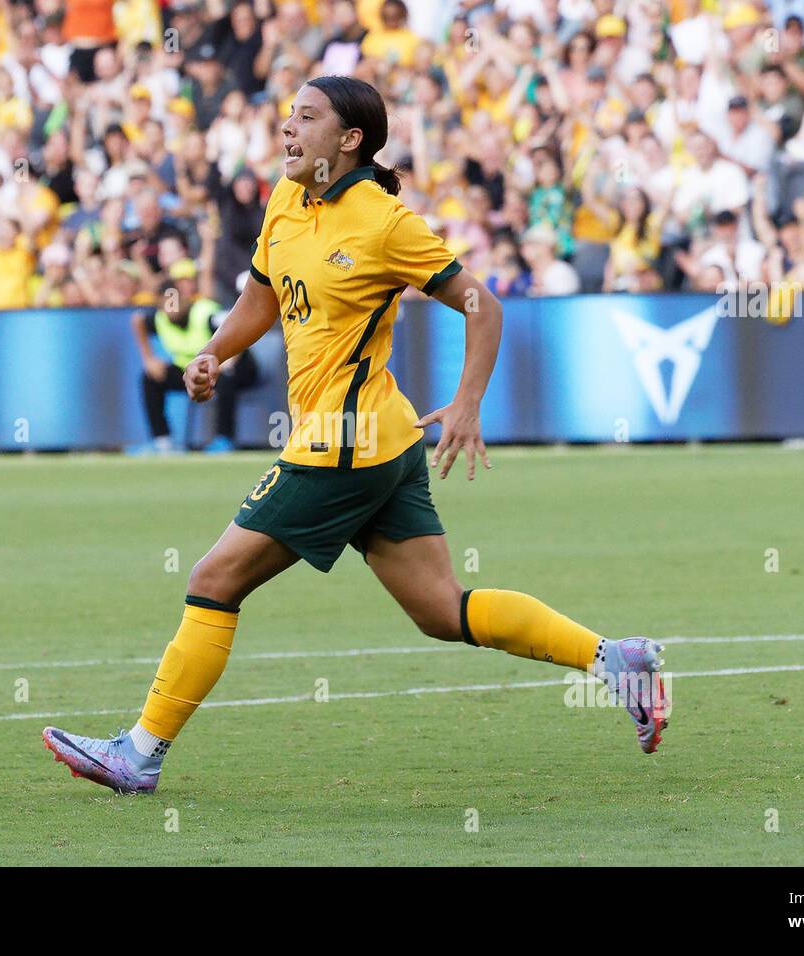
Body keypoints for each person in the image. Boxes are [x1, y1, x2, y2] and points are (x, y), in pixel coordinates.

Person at [43, 76, 670, 795]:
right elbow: (261, 296)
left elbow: (483, 307)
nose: (287, 129)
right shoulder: (286, 198)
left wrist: (467, 404)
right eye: (286, 116)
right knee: (442, 610)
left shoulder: (383, 220)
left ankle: (140, 753)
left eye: (306, 117)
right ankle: (614, 659)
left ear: (348, 140)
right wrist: (217, 351)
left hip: (343, 445)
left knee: (213, 581)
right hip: (385, 443)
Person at [129, 256, 259, 454]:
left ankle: (224, 439)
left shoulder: (205, 313)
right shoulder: (160, 319)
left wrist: (229, 360)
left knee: (226, 377)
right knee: (150, 378)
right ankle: (162, 441)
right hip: (192, 371)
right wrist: (149, 359)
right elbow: (137, 321)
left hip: (238, 366)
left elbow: (238, 330)